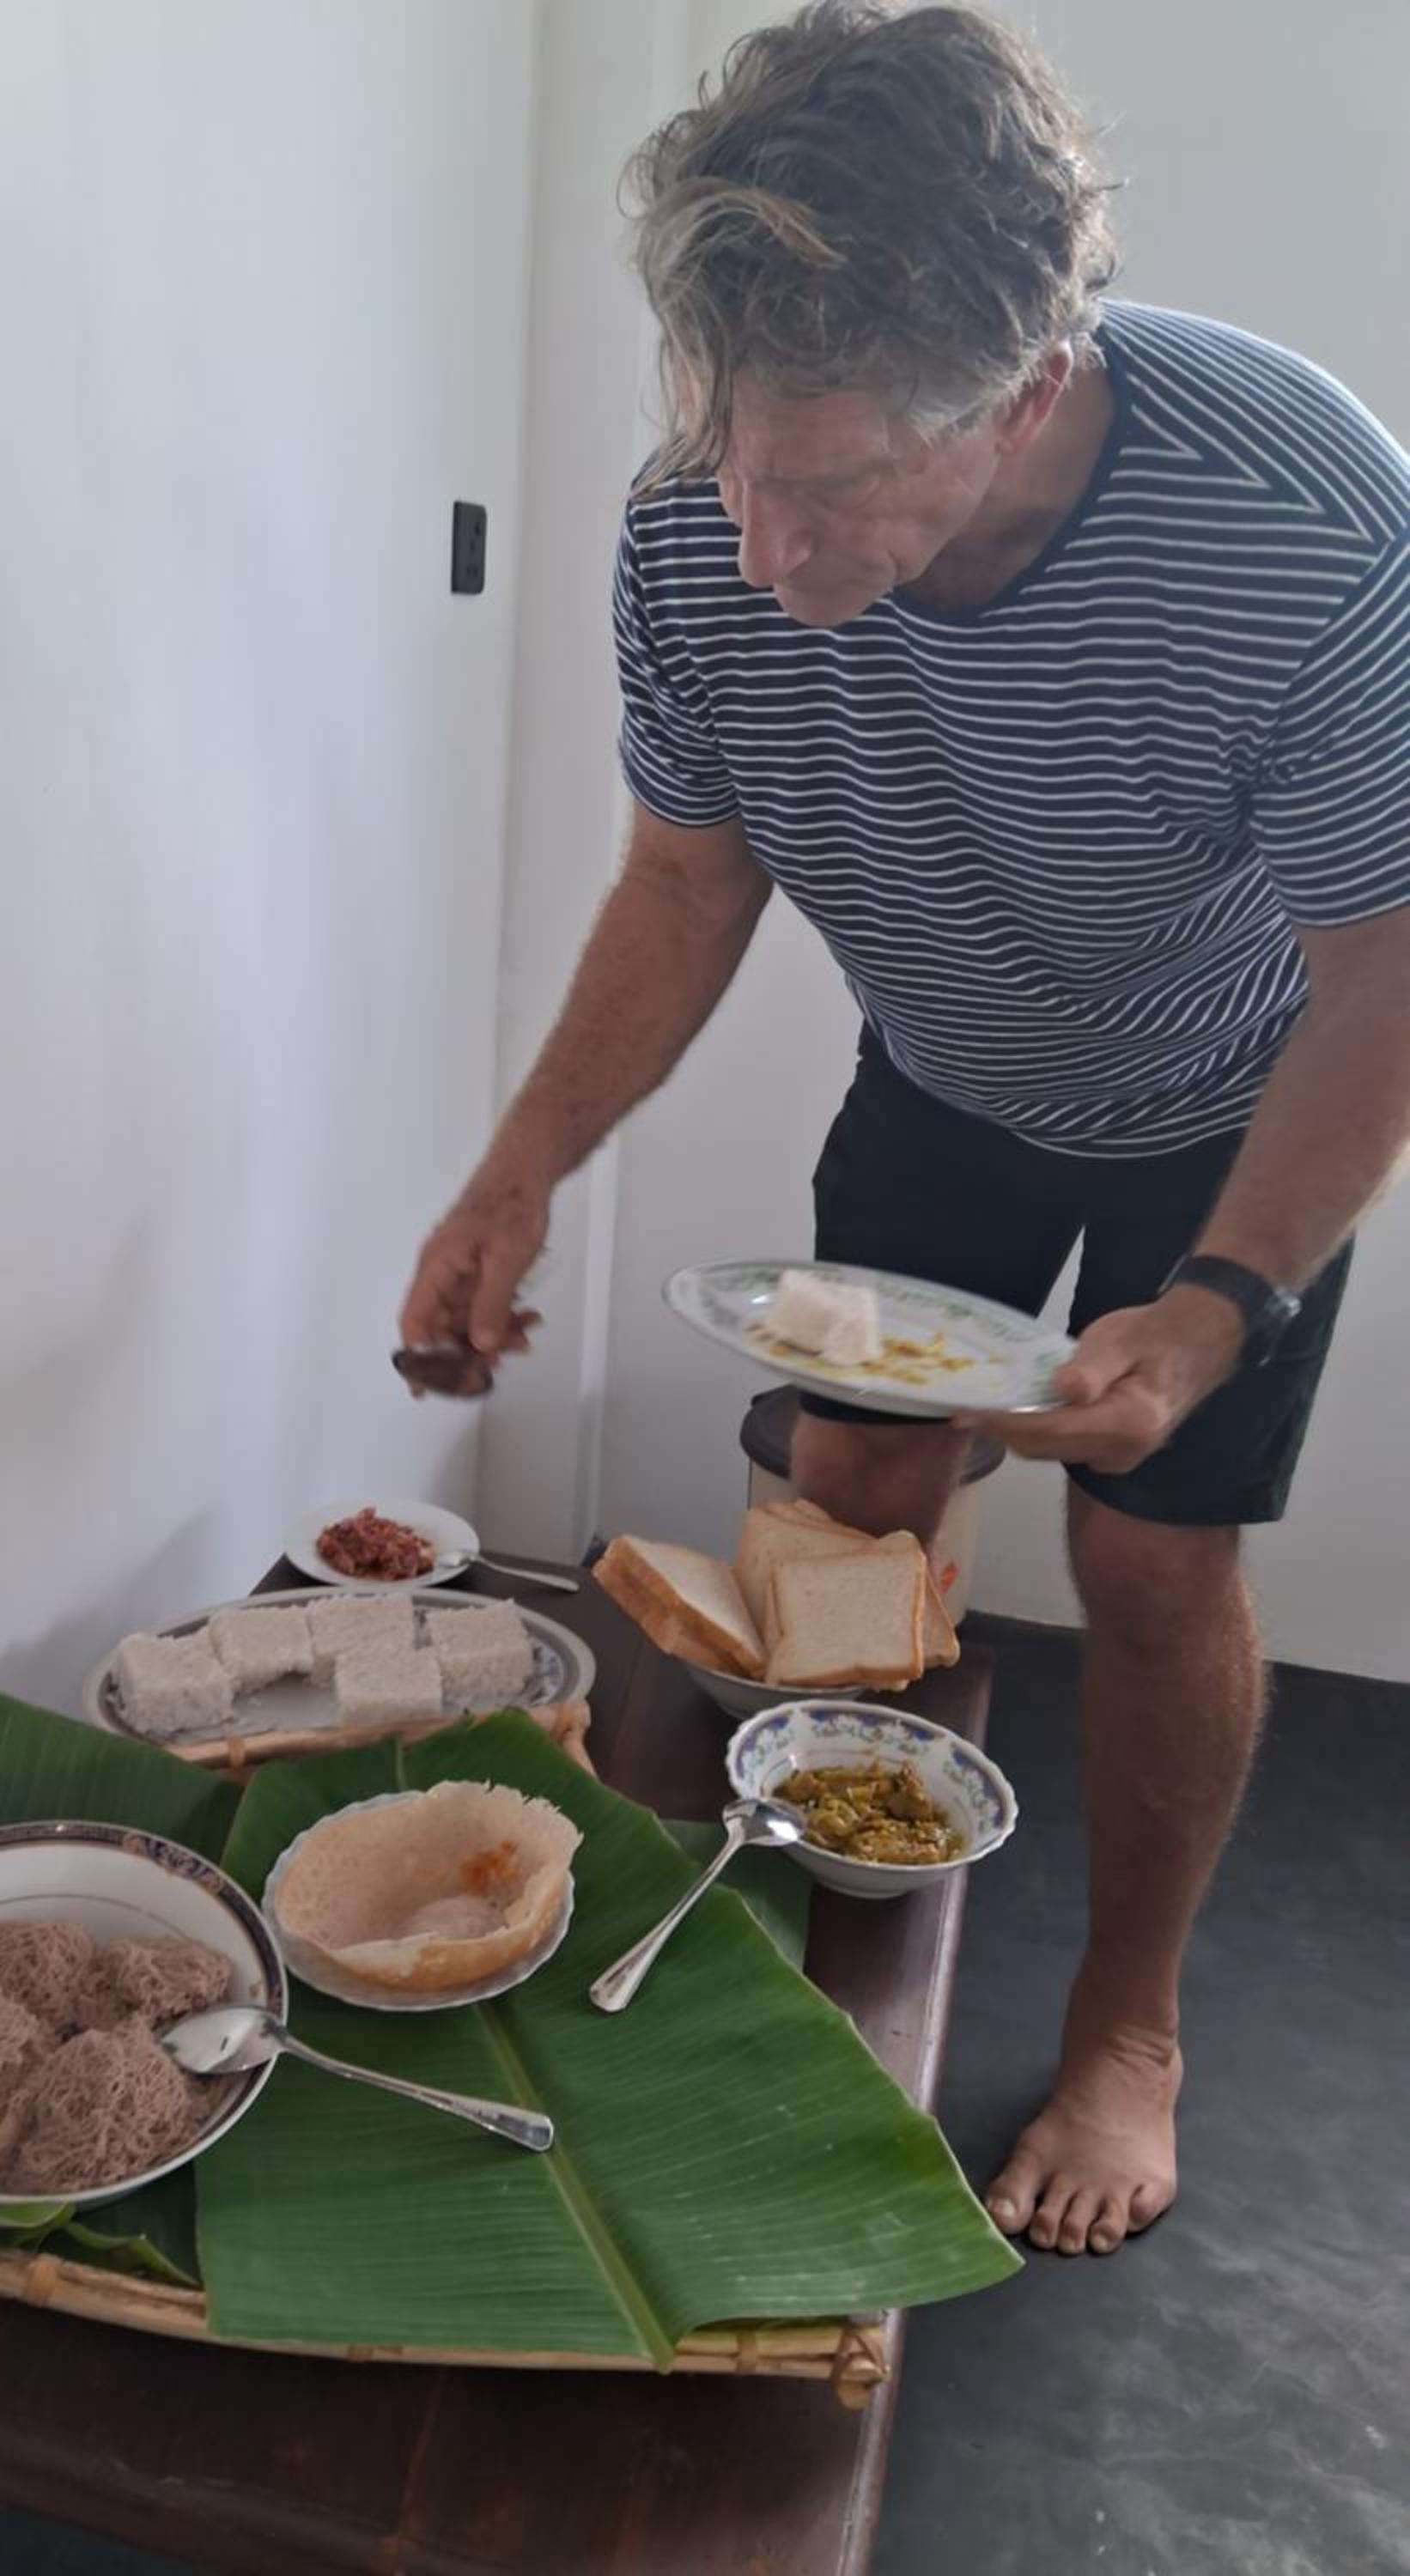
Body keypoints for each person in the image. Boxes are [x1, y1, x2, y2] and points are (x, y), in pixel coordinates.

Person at [399, 1, 1410, 2257]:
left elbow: (1387, 974)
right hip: (943, 1061)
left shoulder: (1311, 526)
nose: (764, 543)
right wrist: (517, 1170)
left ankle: (1127, 2026)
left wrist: (1215, 1310)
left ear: (1027, 390)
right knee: (853, 1495)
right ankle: (835, 1892)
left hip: (1223, 1101)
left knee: (1148, 1561)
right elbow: (688, 881)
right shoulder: (694, 527)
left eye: (837, 486)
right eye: (736, 461)